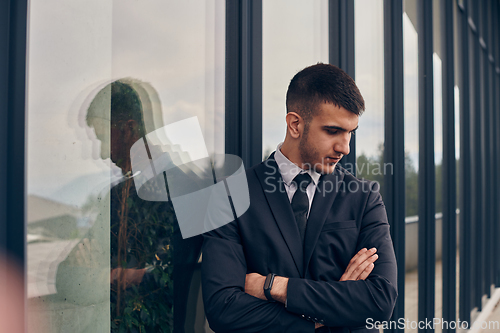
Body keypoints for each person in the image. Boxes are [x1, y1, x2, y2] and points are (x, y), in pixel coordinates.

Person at [201, 63, 398, 333]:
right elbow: (223, 308)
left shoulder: (365, 197)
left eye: (350, 132)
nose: (345, 148)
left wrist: (274, 286)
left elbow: (380, 300)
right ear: (295, 124)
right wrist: (325, 316)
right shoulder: (228, 196)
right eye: (332, 131)